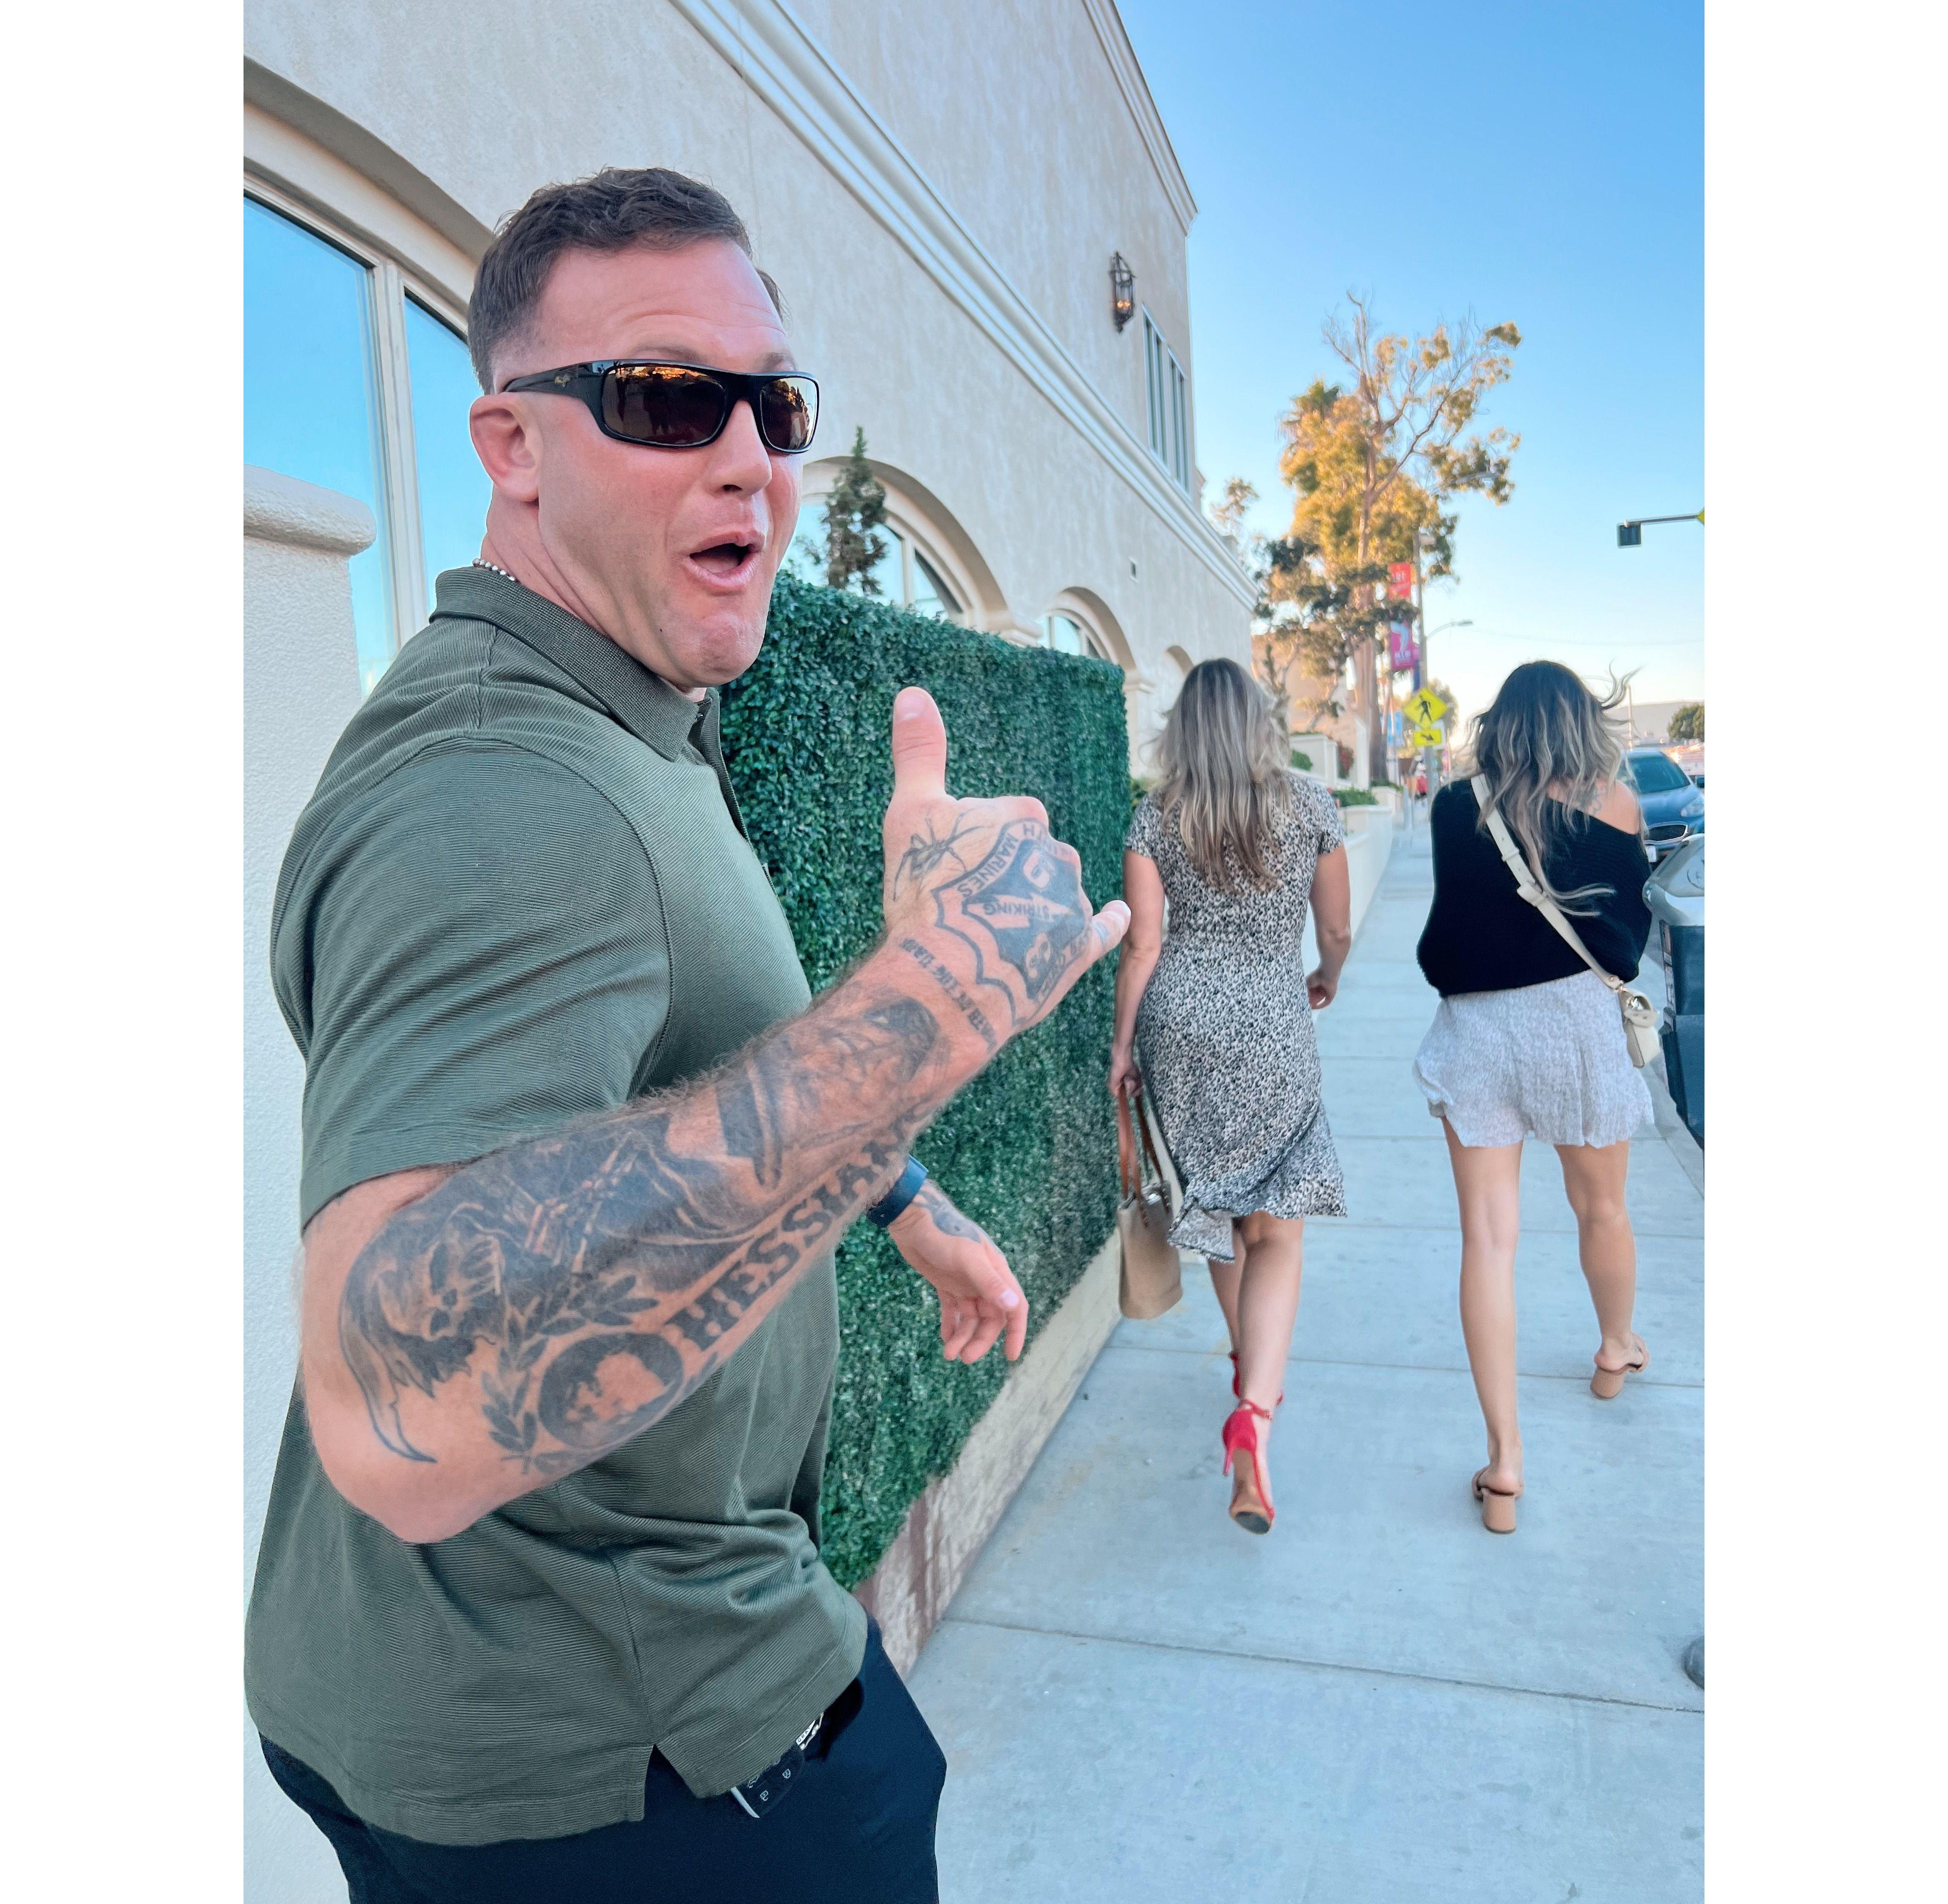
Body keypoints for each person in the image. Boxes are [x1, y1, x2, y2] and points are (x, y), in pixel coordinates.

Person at [244, 165, 1128, 1904]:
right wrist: (939, 1000)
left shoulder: (626, 715)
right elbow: (395, 1403)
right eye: (663, 398)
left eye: (775, 405)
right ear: (511, 446)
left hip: (578, 1698)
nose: (748, 456)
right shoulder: (503, 787)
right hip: (614, 1765)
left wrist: (907, 1201)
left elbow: (689, 1081)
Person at [1108, 659, 1352, 1533]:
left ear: (1184, 727)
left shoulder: (1156, 816)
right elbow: (1336, 929)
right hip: (1273, 1021)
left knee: (1214, 1210)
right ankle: (1254, 1409)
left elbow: (1141, 946)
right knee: (1277, 1227)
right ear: (1259, 724)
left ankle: (1251, 1364)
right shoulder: (1311, 804)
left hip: (1180, 1025)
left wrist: (1121, 1047)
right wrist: (1326, 975)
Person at [1412, 661, 1654, 1535]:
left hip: (1477, 1032)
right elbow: (1629, 931)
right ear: (1583, 723)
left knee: (1487, 1240)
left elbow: (1463, 909)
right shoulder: (1616, 805)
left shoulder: (1453, 805)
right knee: (1604, 1211)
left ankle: (1506, 1462)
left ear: (1501, 723)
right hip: (1575, 1030)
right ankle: (1614, 1350)